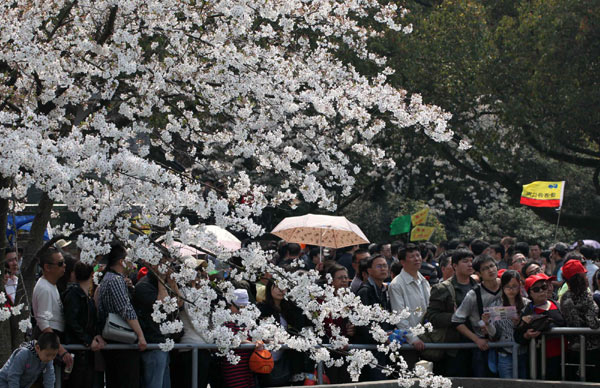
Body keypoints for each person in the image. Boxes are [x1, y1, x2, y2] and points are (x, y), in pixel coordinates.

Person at [97, 243, 146, 388]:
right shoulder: (115, 280)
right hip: (121, 338)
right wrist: (140, 335)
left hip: (112, 338)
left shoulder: (108, 278)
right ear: (121, 261)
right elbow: (126, 309)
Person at [423, 249, 477, 377]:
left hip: (476, 344)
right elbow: (432, 316)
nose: (470, 264)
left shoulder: (478, 287)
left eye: (471, 261)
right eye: (465, 261)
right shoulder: (442, 288)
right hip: (453, 348)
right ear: (454, 266)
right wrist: (455, 317)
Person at [451, 255, 501, 377]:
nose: (490, 270)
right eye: (485, 269)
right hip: (484, 347)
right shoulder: (473, 295)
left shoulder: (507, 286)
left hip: (507, 344)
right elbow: (457, 320)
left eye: (492, 266)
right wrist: (476, 339)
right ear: (478, 273)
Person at [134, 265, 183, 388]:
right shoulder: (143, 286)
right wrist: (161, 280)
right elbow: (163, 305)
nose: (166, 268)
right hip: (153, 343)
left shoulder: (165, 284)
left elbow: (179, 305)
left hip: (165, 343)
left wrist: (173, 284)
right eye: (162, 264)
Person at [63, 261, 106, 388]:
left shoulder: (86, 296)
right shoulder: (74, 294)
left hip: (86, 352)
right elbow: (72, 321)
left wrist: (97, 335)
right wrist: (87, 340)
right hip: (78, 350)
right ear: (92, 274)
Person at [516, 273, 565, 380]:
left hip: (562, 357)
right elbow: (518, 336)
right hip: (540, 359)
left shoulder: (557, 305)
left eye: (544, 287)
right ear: (530, 293)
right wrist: (527, 336)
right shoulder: (527, 312)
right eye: (536, 289)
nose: (542, 291)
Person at [32, 246, 74, 369]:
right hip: (48, 341)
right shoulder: (44, 288)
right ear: (47, 267)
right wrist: (60, 349)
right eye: (60, 263)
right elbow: (43, 322)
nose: (64, 266)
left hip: (53, 337)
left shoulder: (51, 285)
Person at [388, 244, 430, 368]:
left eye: (418, 255)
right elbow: (399, 316)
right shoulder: (397, 284)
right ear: (402, 262)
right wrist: (413, 338)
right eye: (412, 256)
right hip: (408, 342)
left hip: (426, 338)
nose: (417, 259)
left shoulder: (424, 281)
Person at [559, 260, 600, 382]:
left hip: (575, 347)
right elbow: (592, 322)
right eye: (584, 276)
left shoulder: (566, 297)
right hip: (590, 349)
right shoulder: (583, 296)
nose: (587, 278)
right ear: (578, 279)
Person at [355, 255, 394, 381]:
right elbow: (361, 323)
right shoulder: (365, 291)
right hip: (370, 348)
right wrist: (380, 337)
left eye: (385, 266)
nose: (383, 269)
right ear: (369, 271)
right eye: (379, 266)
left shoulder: (385, 290)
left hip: (384, 346)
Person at [485, 270, 529, 378]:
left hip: (524, 352)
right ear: (502, 287)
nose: (511, 290)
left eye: (514, 286)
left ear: (520, 286)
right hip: (505, 353)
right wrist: (487, 324)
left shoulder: (527, 304)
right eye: (507, 286)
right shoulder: (496, 305)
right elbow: (494, 334)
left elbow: (531, 326)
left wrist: (520, 323)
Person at [322, 264, 355, 384]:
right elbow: (327, 324)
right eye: (340, 278)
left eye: (346, 277)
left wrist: (353, 328)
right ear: (331, 280)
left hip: (348, 348)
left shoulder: (349, 299)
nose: (344, 280)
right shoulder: (324, 299)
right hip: (331, 348)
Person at [222, 289, 259, 388]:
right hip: (234, 367)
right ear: (230, 305)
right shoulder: (227, 321)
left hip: (249, 365)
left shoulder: (248, 321)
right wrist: (252, 344)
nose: (242, 310)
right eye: (239, 307)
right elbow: (233, 339)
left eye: (244, 307)